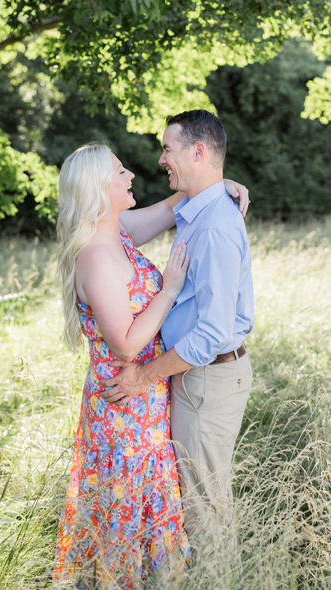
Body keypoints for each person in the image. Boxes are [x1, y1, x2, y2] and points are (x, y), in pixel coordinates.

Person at [52, 142, 248, 587]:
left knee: (149, 503)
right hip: (123, 402)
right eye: (121, 173)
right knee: (126, 507)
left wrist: (217, 187)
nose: (132, 176)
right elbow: (124, 344)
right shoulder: (97, 256)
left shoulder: (117, 232)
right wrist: (170, 289)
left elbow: (168, 206)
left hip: (145, 396)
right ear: (100, 189)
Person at [101, 110, 255, 553]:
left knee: (204, 513)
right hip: (193, 376)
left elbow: (210, 335)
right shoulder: (198, 213)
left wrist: (142, 375)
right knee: (195, 505)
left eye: (168, 148)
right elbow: (122, 229)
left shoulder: (216, 228)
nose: (160, 158)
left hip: (207, 377)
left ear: (198, 152)